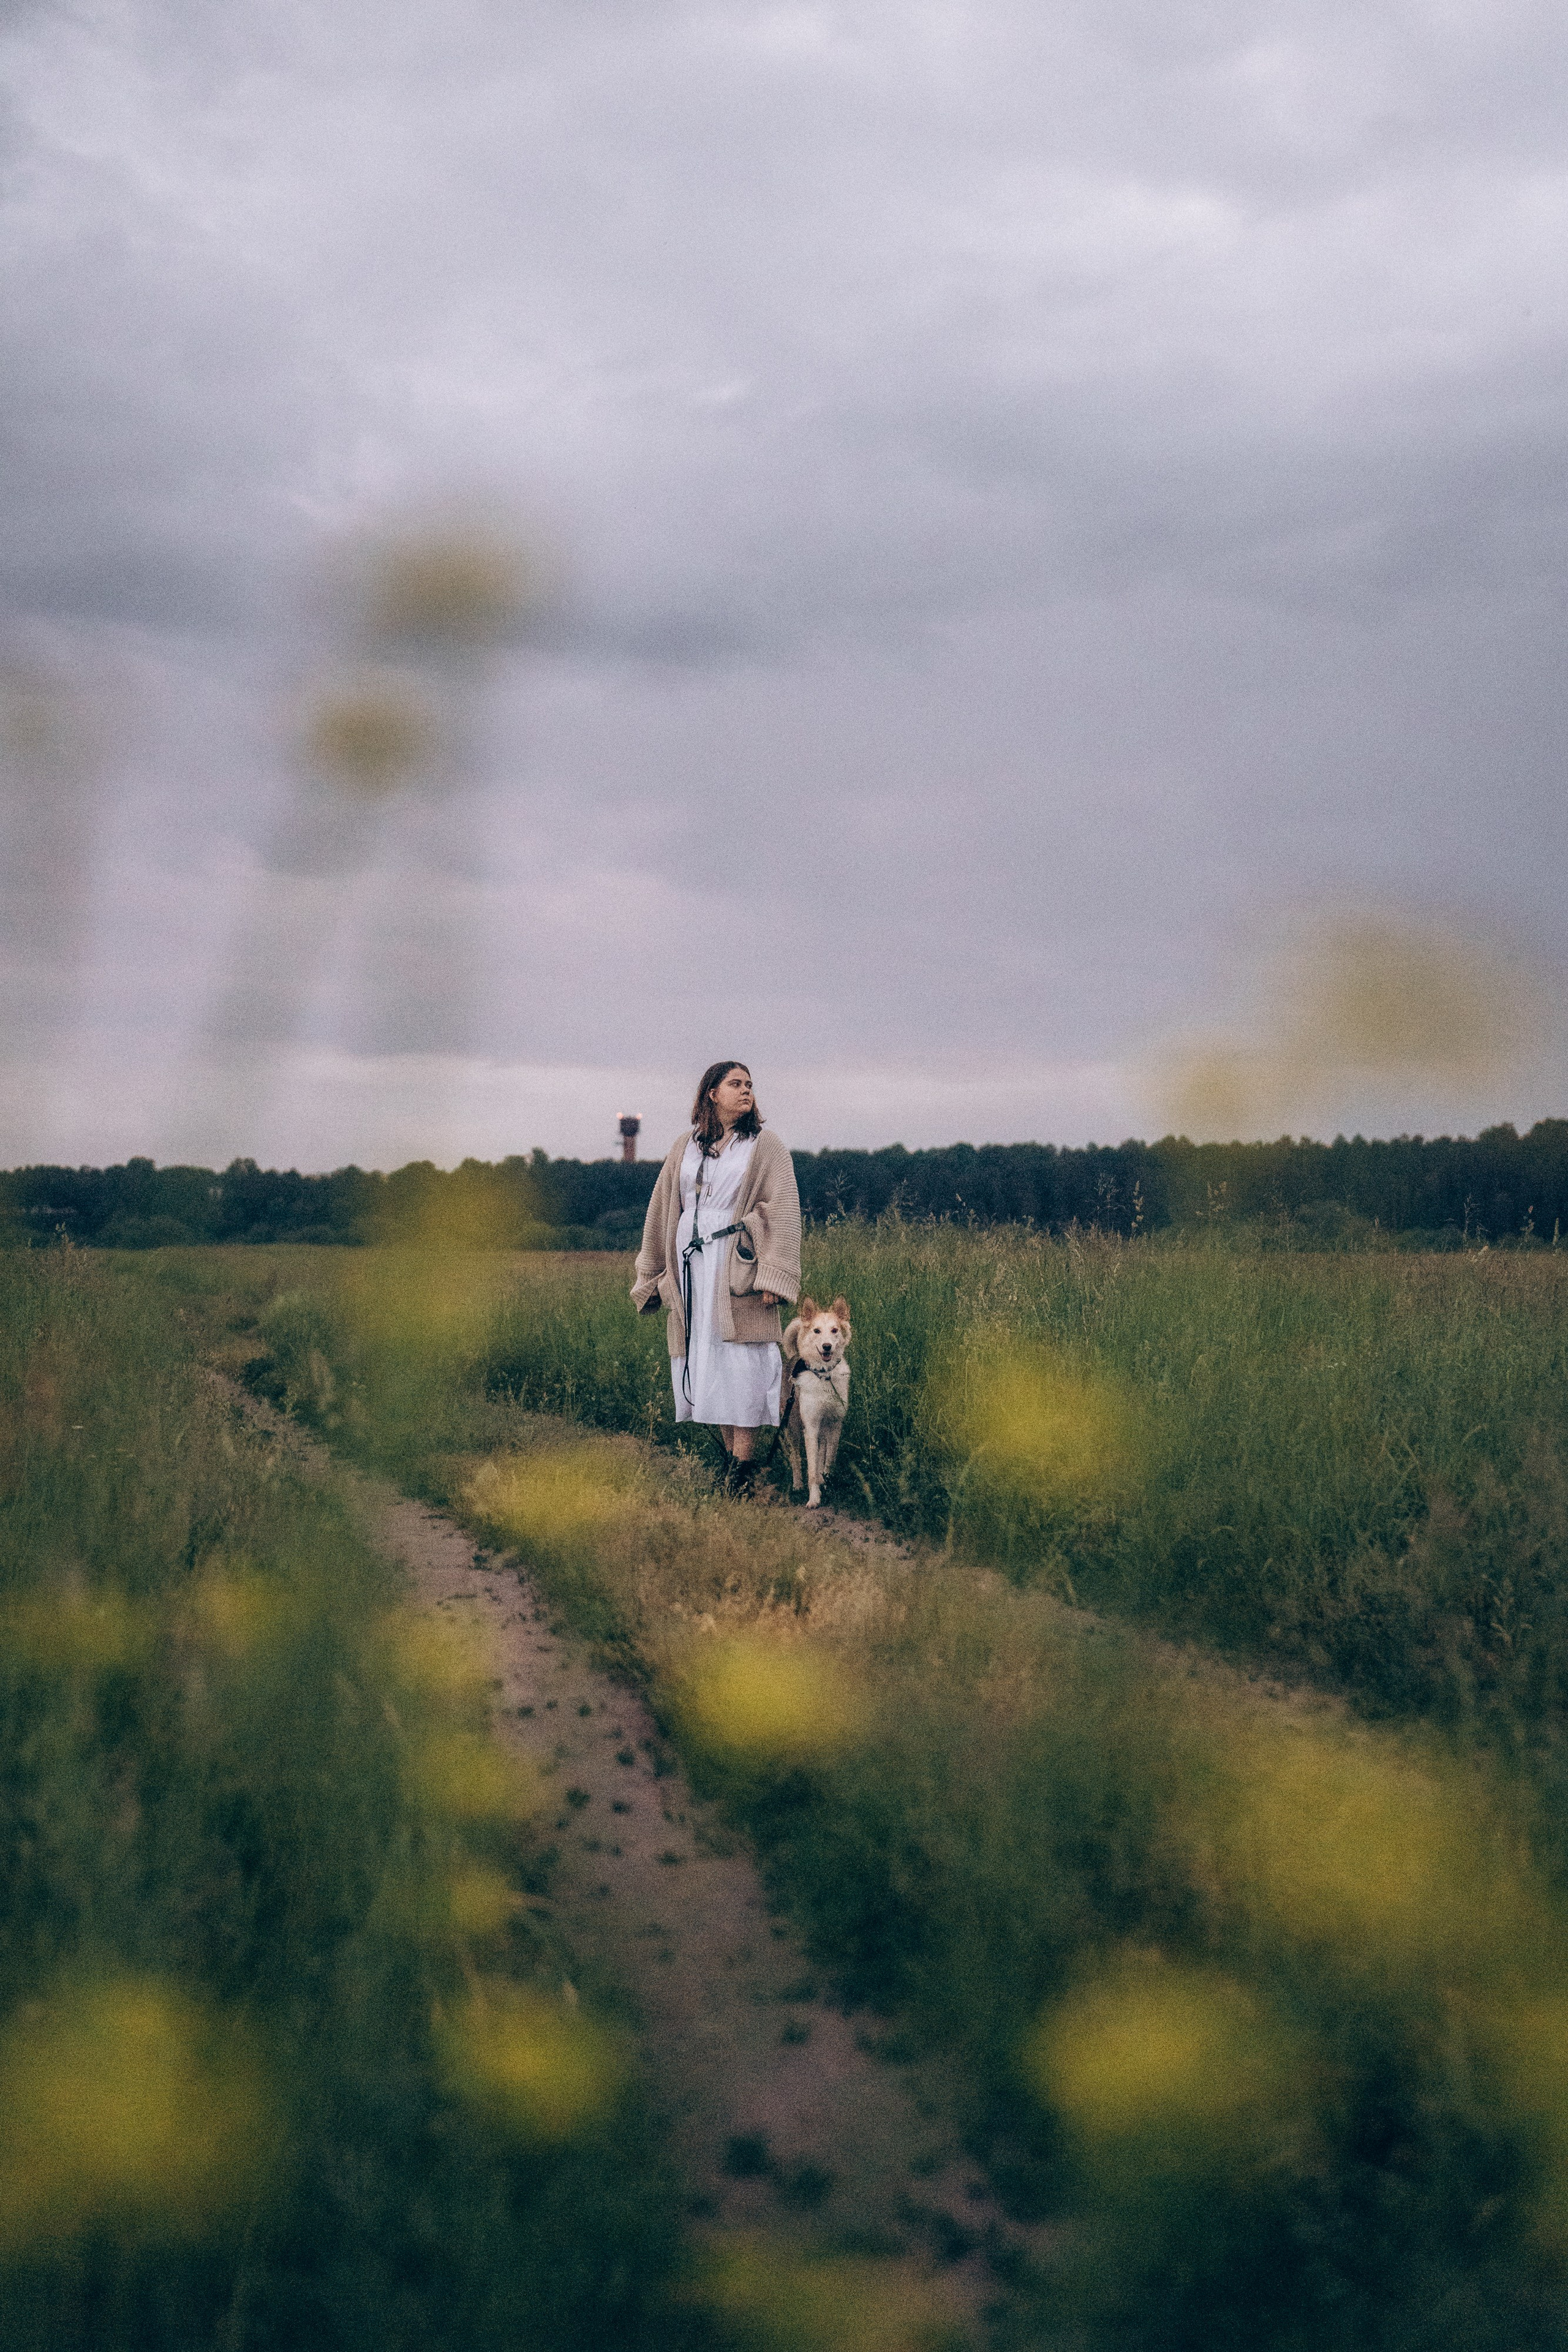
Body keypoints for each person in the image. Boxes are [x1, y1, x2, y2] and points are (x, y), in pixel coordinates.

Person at [631, 1061, 801, 1494]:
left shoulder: (765, 1146)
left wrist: (772, 1276)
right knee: (707, 1364)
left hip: (737, 1265)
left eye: (750, 1085)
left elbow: (782, 1210)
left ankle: (743, 1472)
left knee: (743, 1364)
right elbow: (662, 1210)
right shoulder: (684, 1146)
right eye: (736, 1084)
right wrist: (652, 1273)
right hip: (693, 1269)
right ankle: (731, 1467)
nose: (746, 1091)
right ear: (712, 1093)